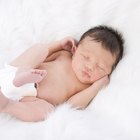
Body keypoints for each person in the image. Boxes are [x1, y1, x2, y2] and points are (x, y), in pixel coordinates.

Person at [0, 25, 124, 122]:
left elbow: (71, 105)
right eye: (86, 57)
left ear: (108, 73)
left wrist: (97, 87)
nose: (90, 66)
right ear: (75, 50)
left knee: (47, 111)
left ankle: (7, 106)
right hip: (14, 74)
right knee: (40, 49)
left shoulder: (86, 87)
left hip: (29, 100)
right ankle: (22, 75)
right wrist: (59, 44)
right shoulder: (64, 55)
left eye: (100, 67)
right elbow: (43, 56)